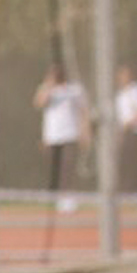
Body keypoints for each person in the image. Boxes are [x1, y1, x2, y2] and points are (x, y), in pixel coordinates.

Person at [34, 63, 90, 212]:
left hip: (70, 135)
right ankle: (56, 197)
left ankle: (68, 199)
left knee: (68, 167)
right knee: (55, 168)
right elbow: (39, 103)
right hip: (52, 137)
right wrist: (48, 85)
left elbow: (84, 111)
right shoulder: (46, 89)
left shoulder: (74, 90)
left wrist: (85, 133)